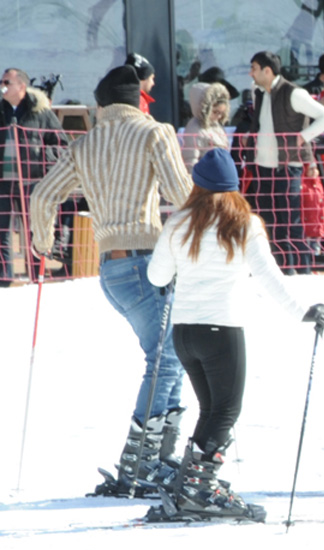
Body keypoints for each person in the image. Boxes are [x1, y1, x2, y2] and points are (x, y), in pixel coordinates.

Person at [30, 64, 193, 497]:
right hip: (147, 262)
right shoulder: (155, 133)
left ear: (102, 105)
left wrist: (43, 243)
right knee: (166, 358)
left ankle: (156, 457)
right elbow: (183, 196)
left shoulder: (85, 145)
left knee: (170, 354)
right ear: (138, 99)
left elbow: (42, 195)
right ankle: (141, 463)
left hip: (111, 269)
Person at [145, 148, 324, 521]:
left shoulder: (179, 222)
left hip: (185, 333)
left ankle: (192, 485)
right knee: (225, 411)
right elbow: (268, 277)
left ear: (196, 184)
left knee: (212, 410)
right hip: (222, 330)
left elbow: (156, 277)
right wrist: (303, 312)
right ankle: (198, 490)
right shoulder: (244, 223)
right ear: (234, 186)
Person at [247, 50, 324, 273]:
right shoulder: (258, 92)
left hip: (287, 167)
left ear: (267, 71)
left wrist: (303, 136)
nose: (251, 73)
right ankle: (281, 272)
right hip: (262, 167)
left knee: (291, 223)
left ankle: (302, 271)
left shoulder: (293, 93)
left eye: (254, 68)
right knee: (269, 224)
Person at [0, 68, 65, 286]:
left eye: (7, 81)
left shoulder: (41, 112)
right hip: (3, 183)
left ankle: (36, 276)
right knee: (2, 232)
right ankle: (4, 280)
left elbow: (60, 143)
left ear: (21, 86)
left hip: (32, 182)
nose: (3, 85)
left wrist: (44, 159)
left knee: (33, 230)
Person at [180, 82, 231, 171]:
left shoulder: (217, 126)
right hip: (205, 179)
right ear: (205, 108)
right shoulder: (194, 128)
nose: (218, 117)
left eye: (221, 113)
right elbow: (190, 160)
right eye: (215, 112)